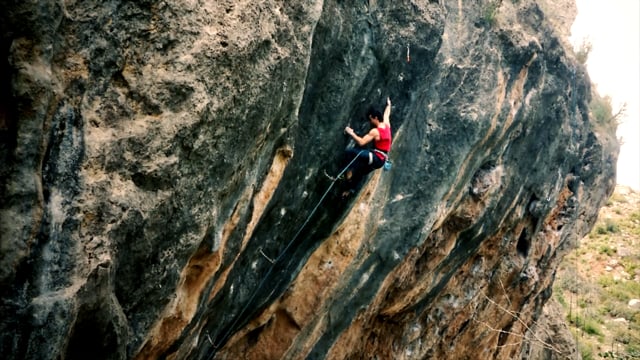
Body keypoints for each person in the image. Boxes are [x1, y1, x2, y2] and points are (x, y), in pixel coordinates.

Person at [341, 97, 392, 198]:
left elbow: (361, 142)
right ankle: (349, 189)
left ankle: (347, 173)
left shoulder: (376, 132)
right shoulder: (386, 125)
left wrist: (351, 133)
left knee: (351, 153)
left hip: (376, 158)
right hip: (380, 160)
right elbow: (386, 114)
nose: (370, 121)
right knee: (360, 172)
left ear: (375, 118)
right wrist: (389, 104)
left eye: (371, 118)